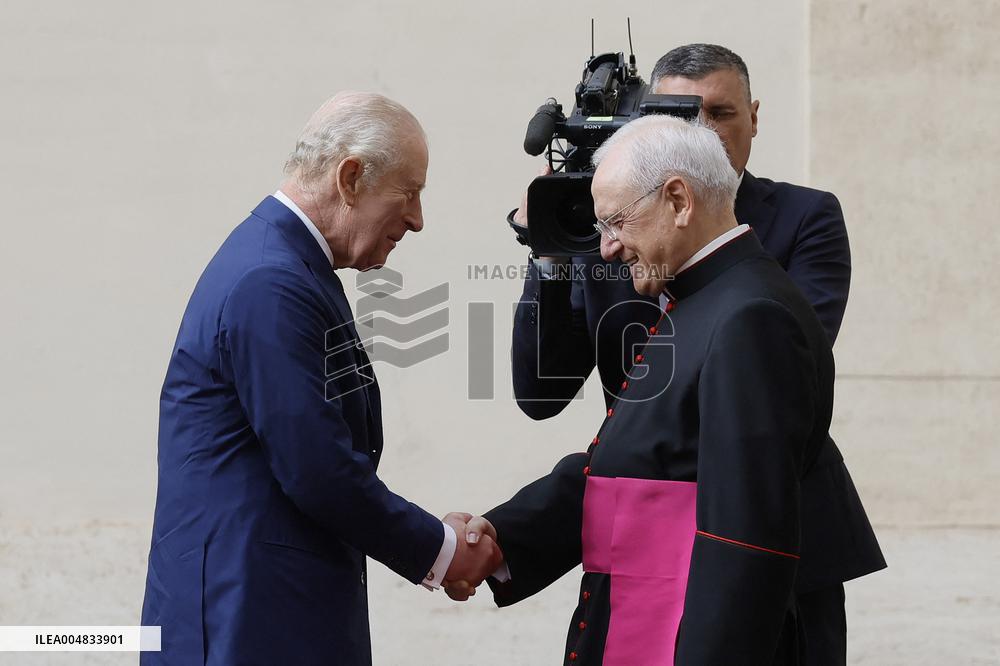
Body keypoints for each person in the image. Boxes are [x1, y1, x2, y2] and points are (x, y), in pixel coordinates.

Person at [485, 44, 884, 664]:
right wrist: (550, 248)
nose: (609, 248)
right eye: (677, 118)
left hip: (739, 569)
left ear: (678, 200)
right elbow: (551, 396)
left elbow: (734, 490)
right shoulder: (650, 239)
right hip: (651, 553)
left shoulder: (756, 293)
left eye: (718, 114)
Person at [140, 92, 502, 665]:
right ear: (351, 178)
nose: (417, 219)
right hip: (250, 621)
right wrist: (440, 549)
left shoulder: (288, 265)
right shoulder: (270, 280)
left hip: (268, 611)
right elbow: (316, 468)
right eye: (409, 193)